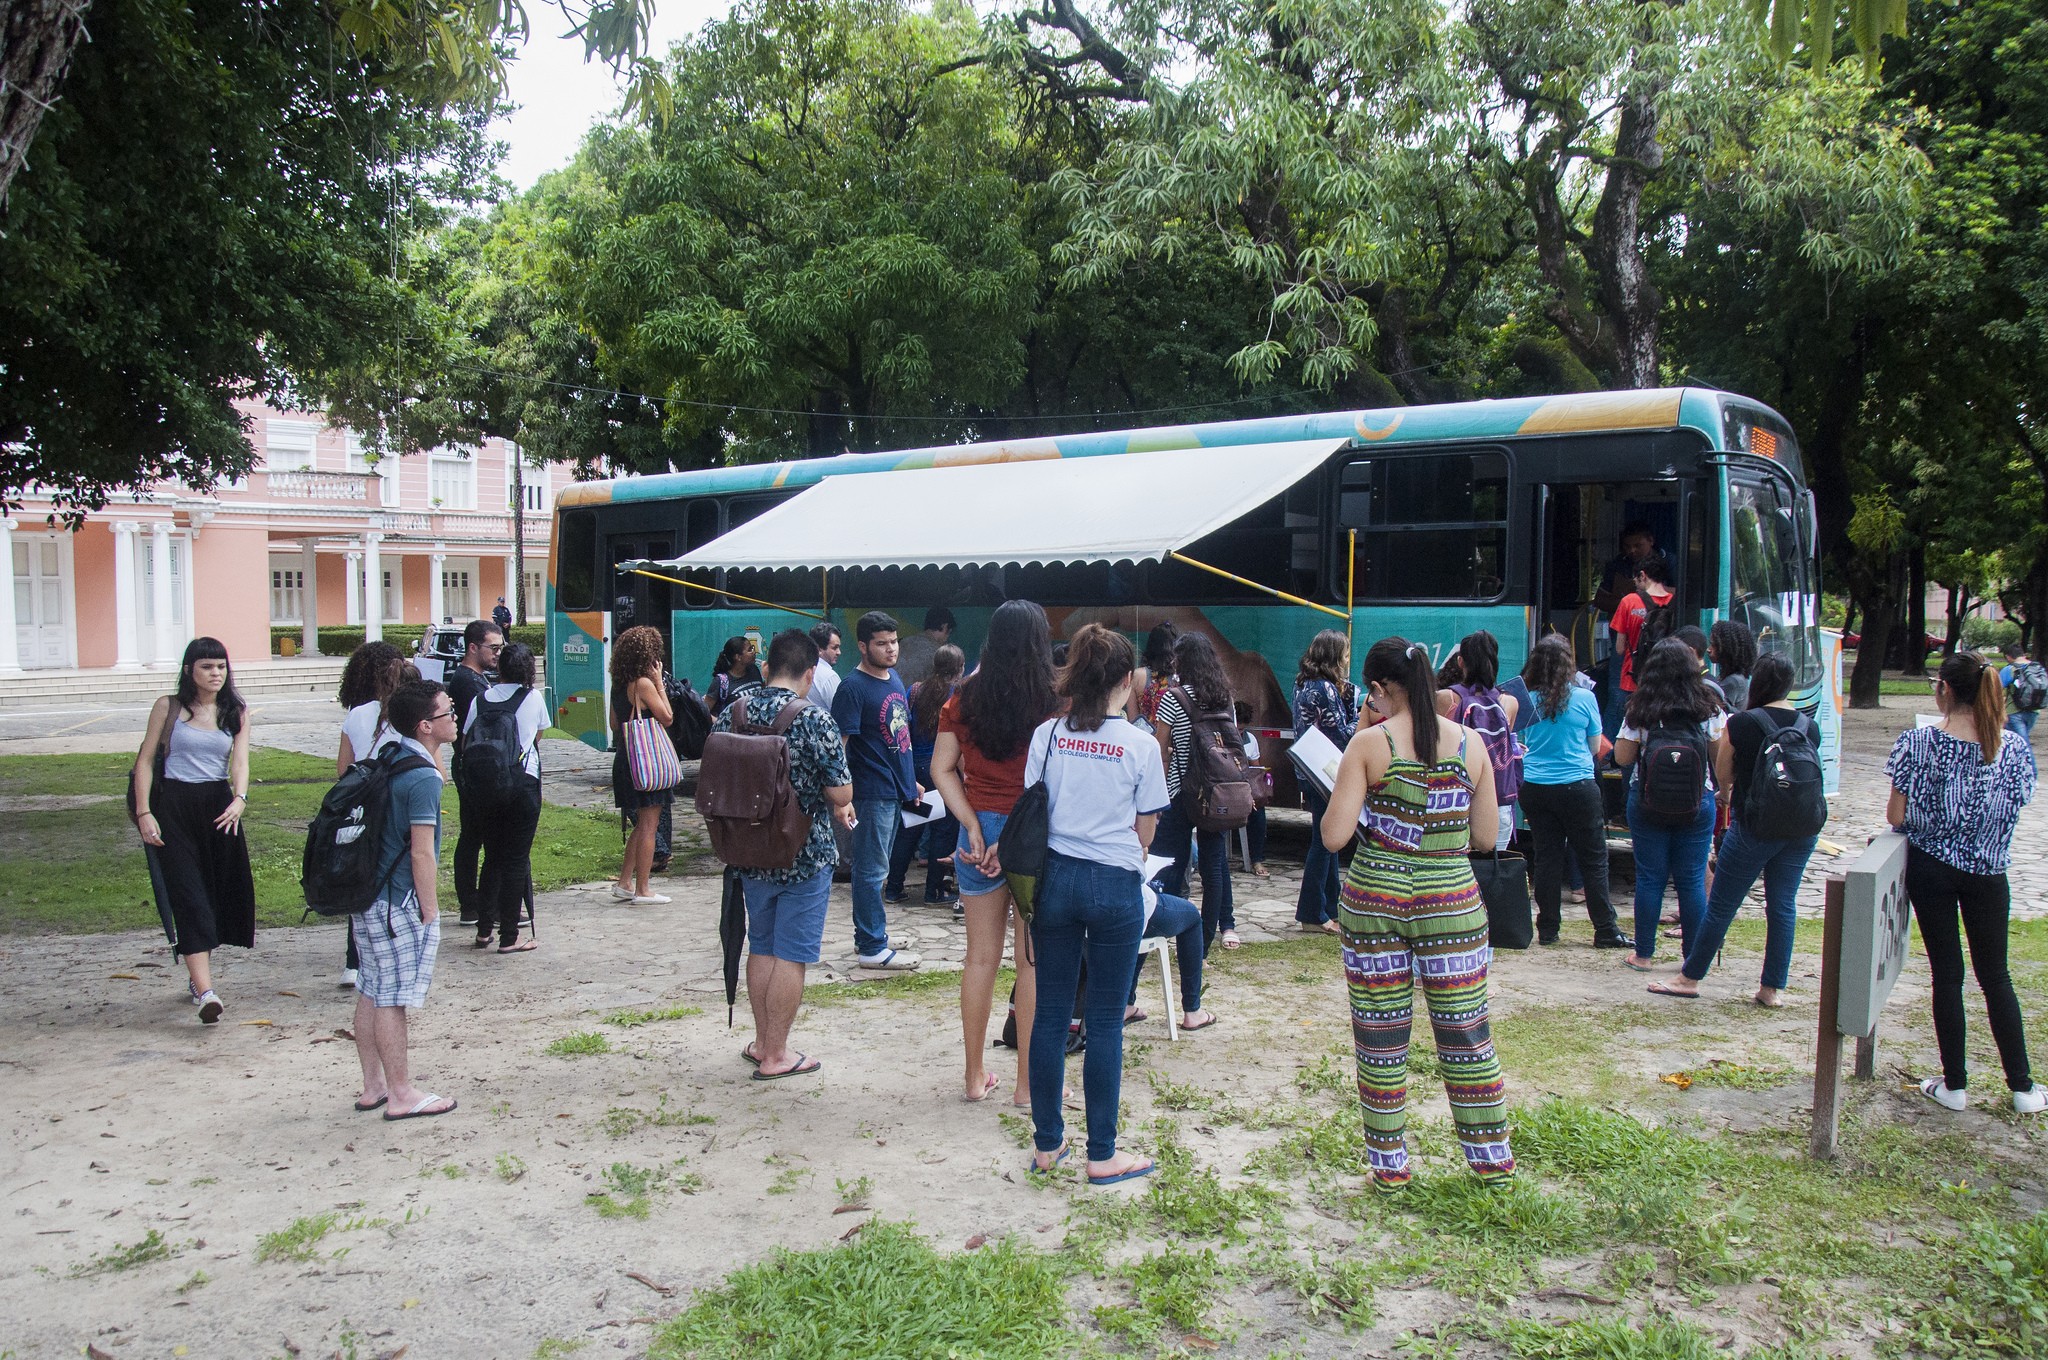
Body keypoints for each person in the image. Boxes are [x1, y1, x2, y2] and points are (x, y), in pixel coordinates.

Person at [1322, 637, 1512, 1191]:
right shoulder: (1471, 744)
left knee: (1380, 1035)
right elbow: (1483, 837)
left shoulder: (1368, 744)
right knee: (1466, 1034)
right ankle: (1491, 1164)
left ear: (1380, 690)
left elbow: (1334, 837)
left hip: (1376, 902)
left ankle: (1389, 1169)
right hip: (1451, 903)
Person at [1024, 623, 1167, 1184]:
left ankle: (1046, 1145)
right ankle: (1102, 1154)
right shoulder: (1139, 744)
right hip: (1114, 887)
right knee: (1106, 1021)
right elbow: (1147, 829)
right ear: (1128, 682)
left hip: (1054, 881)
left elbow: (1034, 811)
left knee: (1051, 1016)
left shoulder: (1049, 735)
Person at [1886, 651, 2042, 1114]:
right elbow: (2018, 805)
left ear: (1945, 691)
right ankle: (2023, 1087)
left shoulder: (1917, 743)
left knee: (1947, 975)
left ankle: (1955, 1084)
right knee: (1996, 976)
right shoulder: (2012, 748)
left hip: (1931, 868)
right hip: (1990, 873)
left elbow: (1896, 816)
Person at [932, 600, 1060, 1104]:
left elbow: (942, 769)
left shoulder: (962, 698)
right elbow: (1056, 780)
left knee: (979, 959)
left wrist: (972, 825)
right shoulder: (1054, 700)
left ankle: (973, 1077)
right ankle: (1027, 1087)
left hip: (976, 837)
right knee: (1029, 962)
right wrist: (1010, 840)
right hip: (1035, 837)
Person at [719, 629, 855, 1081]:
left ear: (765, 668)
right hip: (804, 852)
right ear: (810, 673)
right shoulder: (814, 719)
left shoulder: (731, 712)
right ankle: (777, 1054)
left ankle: (762, 1043)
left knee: (762, 945)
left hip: (748, 849)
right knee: (791, 954)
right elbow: (840, 790)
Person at [1648, 654, 1817, 1005]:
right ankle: (1771, 988)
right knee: (1783, 905)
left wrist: (1729, 795)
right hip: (1801, 828)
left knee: (1722, 904)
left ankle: (1689, 977)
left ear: (1757, 681)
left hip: (1755, 826)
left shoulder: (1741, 724)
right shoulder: (1807, 725)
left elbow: (1723, 777)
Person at [132, 638, 256, 1026]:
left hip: (218, 809)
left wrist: (240, 799)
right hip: (174, 807)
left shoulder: (235, 711)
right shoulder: (168, 707)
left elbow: (239, 761)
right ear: (190, 670)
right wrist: (144, 812)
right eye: (206, 667)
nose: (215, 673)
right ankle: (206, 992)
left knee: (216, 895)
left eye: (220, 666)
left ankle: (195, 974)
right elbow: (146, 761)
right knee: (187, 895)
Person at [350, 680, 458, 1121]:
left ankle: (373, 1085)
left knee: (371, 989)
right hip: (397, 902)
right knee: (391, 997)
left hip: (368, 894)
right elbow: (421, 850)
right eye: (448, 712)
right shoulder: (421, 777)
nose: (455, 717)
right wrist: (429, 909)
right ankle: (400, 1093)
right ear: (425, 726)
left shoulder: (388, 754)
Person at [1615, 637, 1726, 970]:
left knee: (1650, 878)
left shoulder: (1641, 709)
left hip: (1647, 801)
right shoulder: (1709, 707)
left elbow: (1622, 757)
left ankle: (1644, 954)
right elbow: (1718, 762)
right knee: (1691, 879)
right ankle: (1693, 956)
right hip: (1697, 802)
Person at [1516, 636, 1628, 949]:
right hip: (1577, 786)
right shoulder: (1584, 698)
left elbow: (1521, 740)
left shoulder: (1527, 698)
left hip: (1536, 786)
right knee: (1593, 859)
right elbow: (1595, 747)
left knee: (1548, 858)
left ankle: (1548, 929)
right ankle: (1605, 928)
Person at [832, 610, 921, 969]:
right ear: (863, 645)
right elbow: (839, 745)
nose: (890, 649)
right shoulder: (852, 687)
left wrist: (909, 778)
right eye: (881, 643)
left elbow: (900, 738)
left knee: (878, 869)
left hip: (894, 789)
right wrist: (843, 796)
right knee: (870, 871)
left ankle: (872, 933)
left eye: (894, 641)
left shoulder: (894, 678)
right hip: (869, 793)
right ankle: (871, 946)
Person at [1153, 632, 1240, 950]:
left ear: (1180, 662)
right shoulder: (1223, 697)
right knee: (1213, 868)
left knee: (1169, 865)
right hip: (1215, 792)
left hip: (1179, 792)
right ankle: (1201, 945)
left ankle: (1161, 933)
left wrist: (1158, 794)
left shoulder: (1173, 697)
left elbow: (1161, 750)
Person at [464, 642, 548, 953]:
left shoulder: (480, 699)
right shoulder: (533, 697)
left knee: (492, 857)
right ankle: (510, 936)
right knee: (515, 859)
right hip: (522, 783)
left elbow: (466, 739)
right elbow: (537, 736)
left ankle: (484, 929)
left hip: (486, 787)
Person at [335, 640, 407, 988]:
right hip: (397, 804)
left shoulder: (356, 714)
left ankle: (355, 959)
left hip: (362, 804)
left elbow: (342, 769)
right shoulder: (408, 715)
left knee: (362, 876)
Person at [887, 643, 963, 908]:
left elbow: (904, 727)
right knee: (943, 831)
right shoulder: (957, 695)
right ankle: (935, 891)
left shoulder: (915, 690)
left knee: (910, 829)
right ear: (960, 668)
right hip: (943, 770)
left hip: (916, 770)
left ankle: (894, 888)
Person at [1292, 629, 1357, 933]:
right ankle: (1312, 912)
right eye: (1344, 653)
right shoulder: (1325, 689)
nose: (1347, 659)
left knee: (1328, 840)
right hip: (1325, 773)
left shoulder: (1302, 683)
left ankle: (1330, 906)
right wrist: (1363, 715)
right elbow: (1342, 734)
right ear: (1333, 656)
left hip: (1309, 771)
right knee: (1323, 842)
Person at [609, 625, 675, 905]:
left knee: (639, 825)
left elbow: (615, 724)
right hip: (646, 761)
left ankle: (625, 881)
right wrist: (659, 682)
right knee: (650, 824)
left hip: (626, 758)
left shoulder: (618, 684)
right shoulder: (643, 684)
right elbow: (667, 717)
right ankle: (643, 888)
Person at [1437, 631, 1520, 852]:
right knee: (1492, 873)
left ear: (1460, 661)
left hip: (1455, 799)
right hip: (1497, 801)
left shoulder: (1445, 698)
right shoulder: (1509, 702)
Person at [445, 618, 504, 928]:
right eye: (493, 647)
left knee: (475, 834)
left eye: (500, 647)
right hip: (473, 765)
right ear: (473, 648)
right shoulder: (468, 682)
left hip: (475, 764)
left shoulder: (477, 678)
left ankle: (477, 903)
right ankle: (475, 903)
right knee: (475, 835)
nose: (497, 653)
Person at [1606, 552, 1677, 739]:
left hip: (1633, 679)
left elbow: (1620, 648)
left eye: (1636, 580)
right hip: (1667, 681)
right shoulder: (1676, 601)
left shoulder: (1629, 601)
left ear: (1643, 575)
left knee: (1632, 733)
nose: (1635, 585)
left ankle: (1627, 768)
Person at [1594, 521, 1657, 616]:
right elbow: (1600, 600)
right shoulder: (1618, 564)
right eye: (1627, 546)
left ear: (1651, 541)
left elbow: (1682, 595)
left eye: (1638, 545)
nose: (1632, 550)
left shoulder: (1668, 562)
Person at [1131, 621, 1179, 727]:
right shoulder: (1181, 676)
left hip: (1145, 740)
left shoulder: (1137, 675)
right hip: (1174, 741)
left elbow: (1133, 721)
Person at [895, 606, 955, 688]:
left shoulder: (903, 642)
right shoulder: (939, 654)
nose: (947, 638)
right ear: (945, 626)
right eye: (949, 632)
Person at [1999, 641, 2044, 744]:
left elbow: (1996, 690)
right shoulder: (2038, 668)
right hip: (2034, 710)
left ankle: (2029, 761)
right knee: (2020, 742)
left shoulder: (2009, 669)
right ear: (2023, 654)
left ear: (2008, 656)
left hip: (2014, 712)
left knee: (2022, 745)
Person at [1708, 620, 1757, 714]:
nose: (1709, 649)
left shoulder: (1732, 682)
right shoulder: (1734, 678)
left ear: (1728, 649)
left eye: (1714, 645)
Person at [707, 635, 759, 716]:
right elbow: (704, 712)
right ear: (738, 657)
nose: (754, 652)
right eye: (750, 650)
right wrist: (720, 722)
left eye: (753, 648)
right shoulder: (720, 681)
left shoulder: (754, 670)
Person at [807, 621, 845, 713]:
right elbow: (842, 713)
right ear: (819, 649)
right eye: (834, 648)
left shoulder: (802, 669)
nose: (839, 652)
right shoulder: (829, 676)